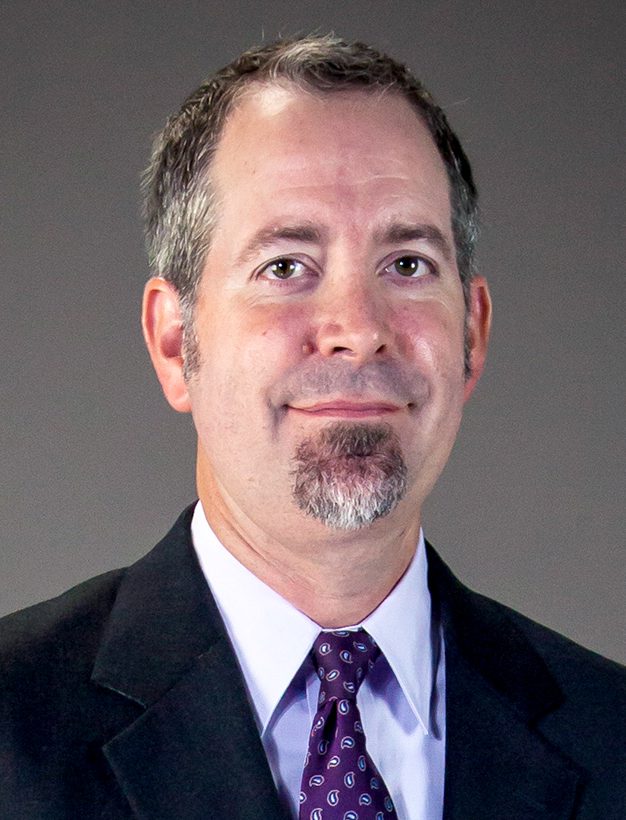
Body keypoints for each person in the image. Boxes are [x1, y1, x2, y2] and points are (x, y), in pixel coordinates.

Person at [0, 34, 624, 820]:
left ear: (473, 333)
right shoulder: (13, 731)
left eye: (407, 264)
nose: (357, 328)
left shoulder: (614, 736)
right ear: (172, 341)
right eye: (285, 266)